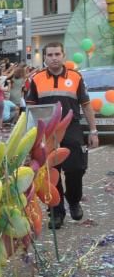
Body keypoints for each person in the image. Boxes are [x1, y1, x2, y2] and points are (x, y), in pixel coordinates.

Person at [26, 42, 99, 229]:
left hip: (71, 128)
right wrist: (28, 138)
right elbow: (29, 109)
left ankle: (73, 200)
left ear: (63, 55)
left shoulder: (75, 77)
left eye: (57, 54)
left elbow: (86, 105)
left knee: (76, 168)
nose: (54, 58)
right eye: (49, 55)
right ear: (44, 58)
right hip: (46, 132)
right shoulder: (36, 79)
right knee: (51, 173)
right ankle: (56, 212)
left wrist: (93, 131)